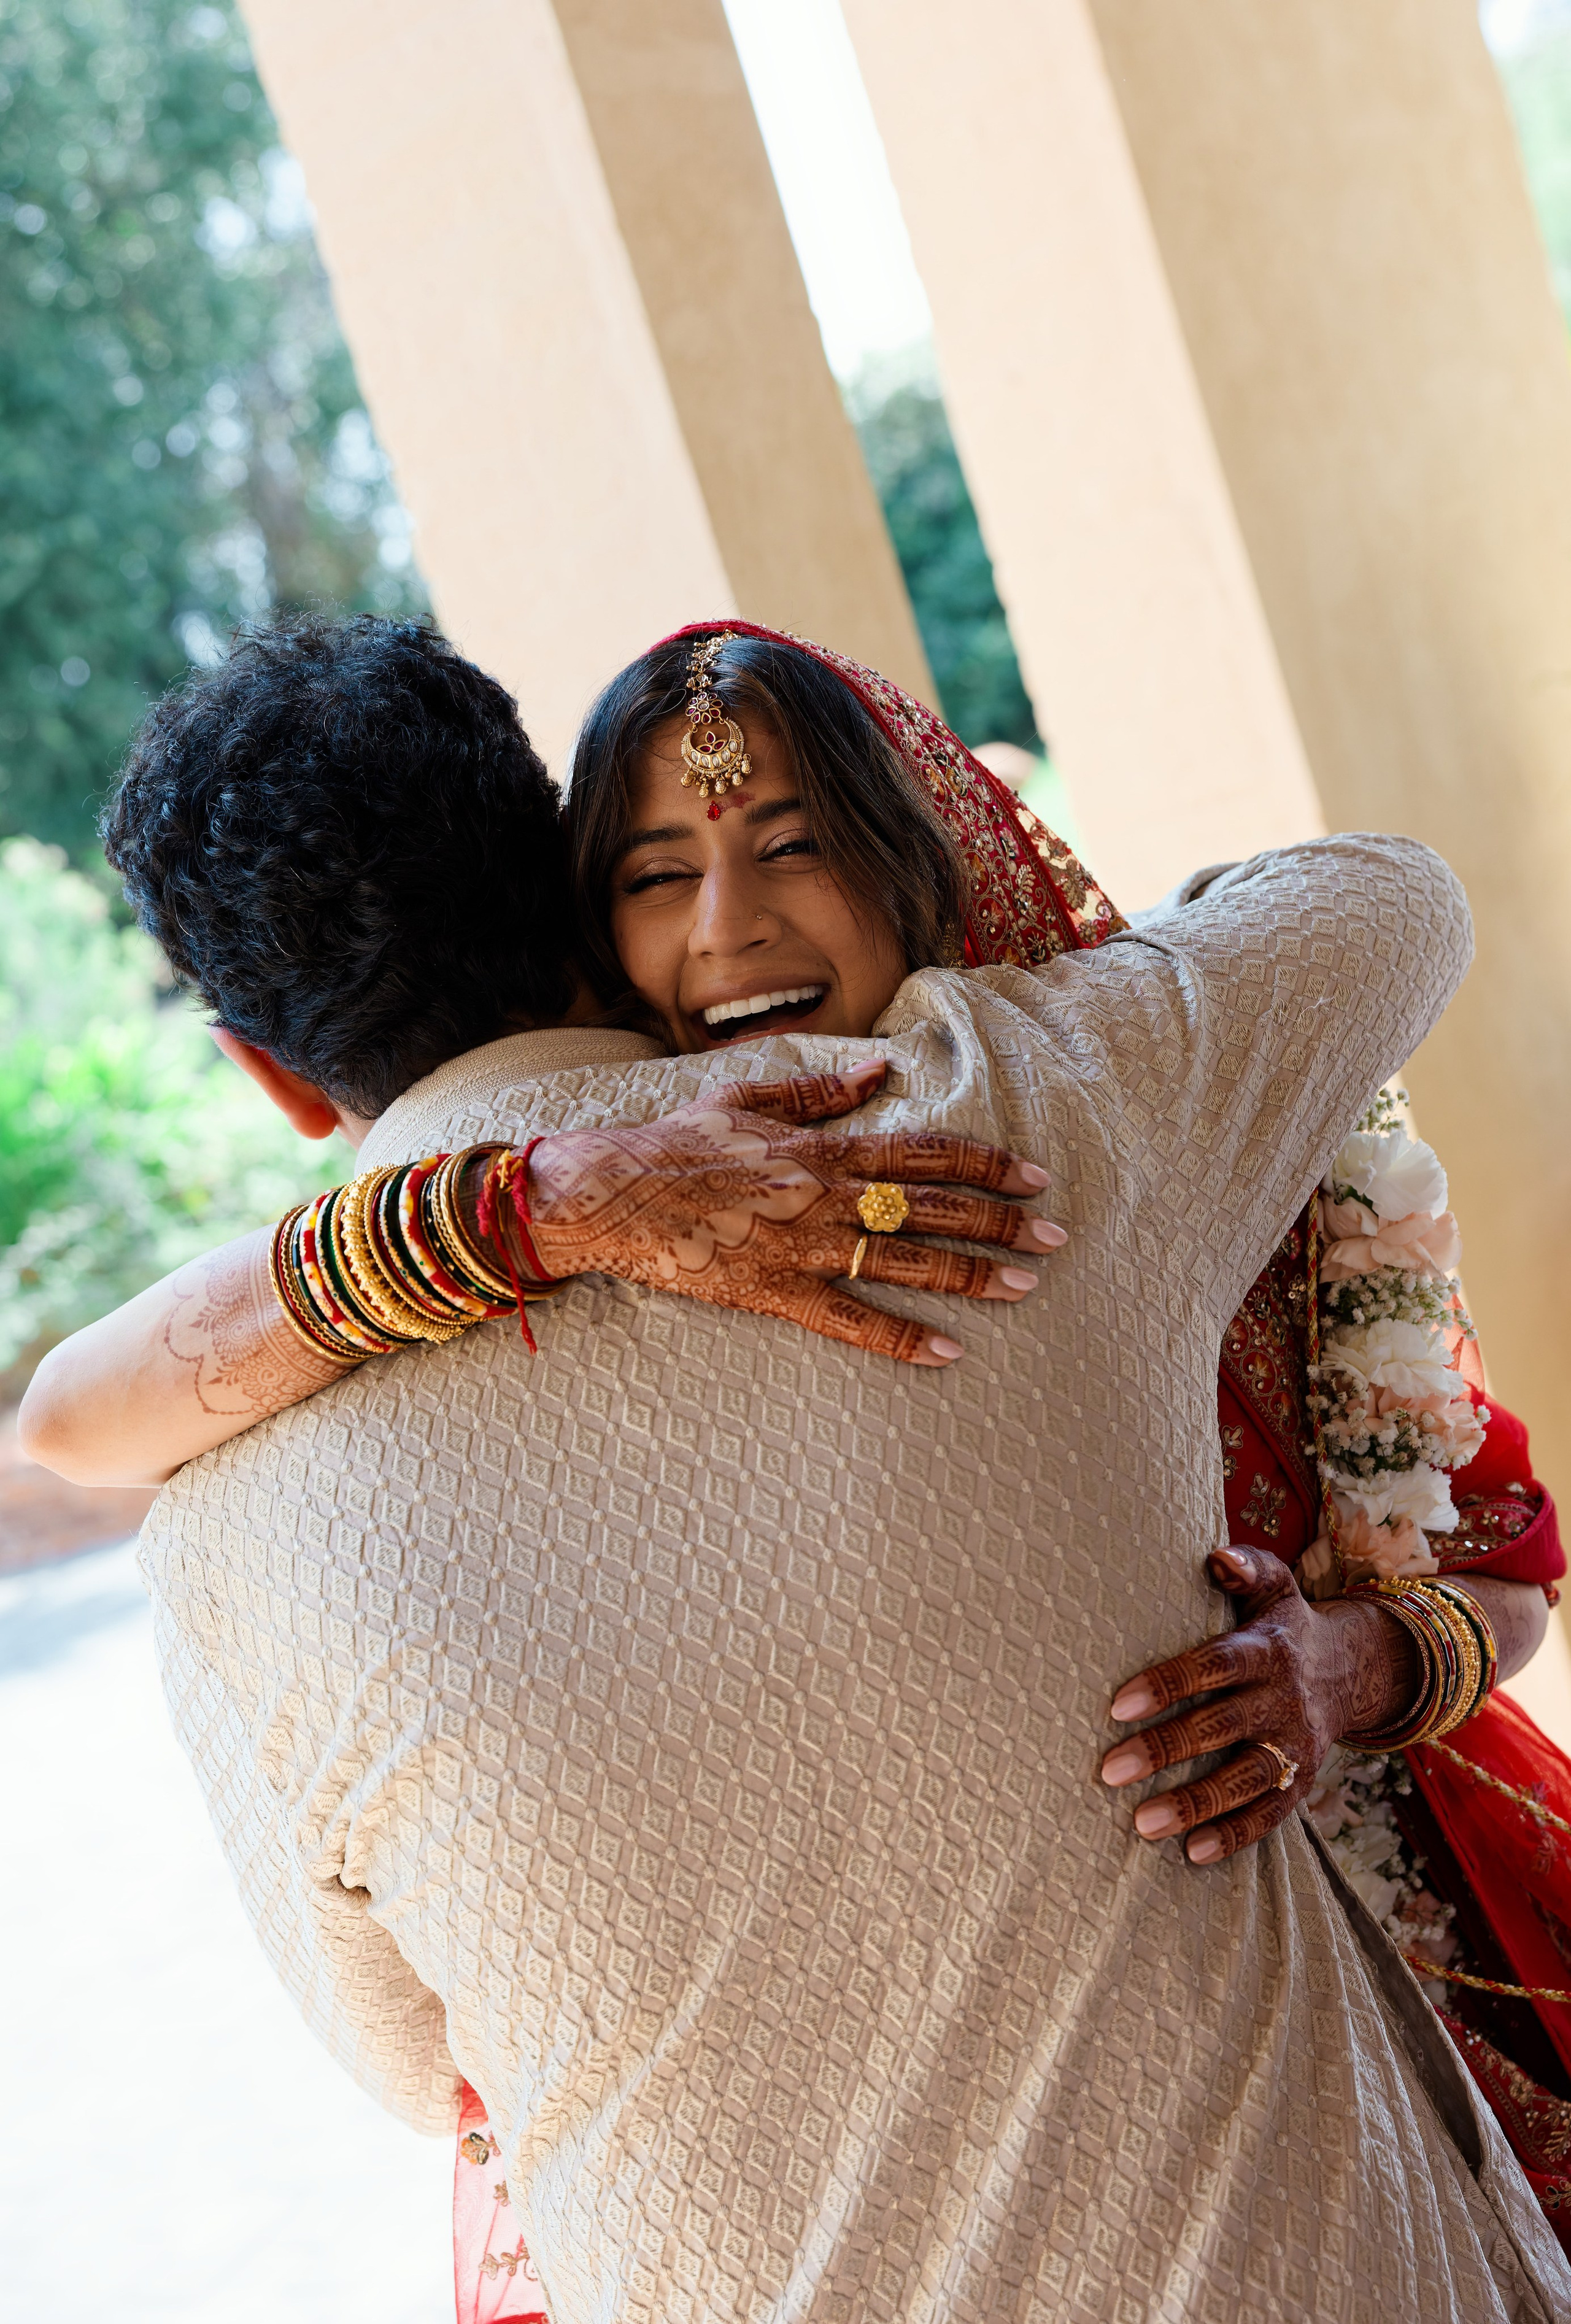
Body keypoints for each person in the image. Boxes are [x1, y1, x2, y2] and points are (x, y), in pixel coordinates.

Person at [24, 619, 1567, 2316]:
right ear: (572, 893)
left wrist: (522, 1209)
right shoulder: (997, 1114)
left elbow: (421, 2065)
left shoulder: (225, 1523)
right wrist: (542, 1198)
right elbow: (1397, 901)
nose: (735, 918)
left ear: (263, 1069)